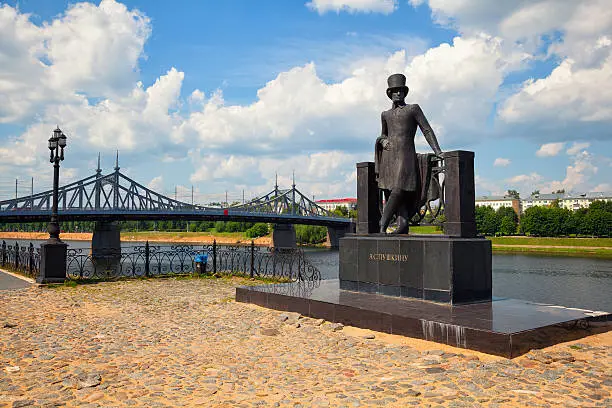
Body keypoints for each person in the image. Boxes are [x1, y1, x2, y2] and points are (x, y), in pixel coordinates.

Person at [375, 73, 443, 234]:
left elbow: (426, 129)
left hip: (406, 155)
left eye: (401, 90)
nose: (398, 93)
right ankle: (402, 223)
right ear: (390, 94)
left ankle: (382, 224)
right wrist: (382, 141)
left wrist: (438, 151)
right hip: (388, 157)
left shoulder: (413, 109)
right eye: (394, 91)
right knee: (392, 191)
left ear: (405, 92)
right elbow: (383, 134)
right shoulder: (385, 114)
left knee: (399, 189)